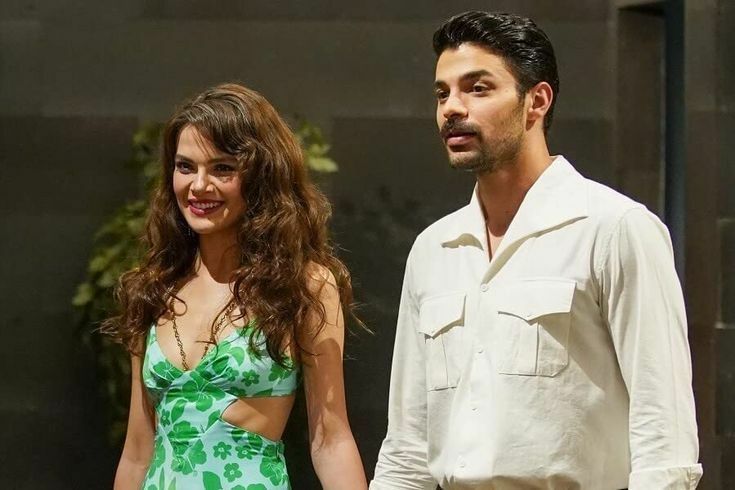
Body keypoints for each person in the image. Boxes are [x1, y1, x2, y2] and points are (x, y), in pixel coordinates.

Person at [371, 11, 702, 490]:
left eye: (478, 88)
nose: (451, 108)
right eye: (442, 93)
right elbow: (406, 450)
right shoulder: (433, 248)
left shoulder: (614, 228)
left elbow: (664, 437)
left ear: (537, 101)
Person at [106, 83, 367, 489]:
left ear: (262, 176)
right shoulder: (152, 289)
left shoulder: (304, 285)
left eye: (222, 168)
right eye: (185, 167)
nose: (199, 186)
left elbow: (330, 439)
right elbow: (138, 452)